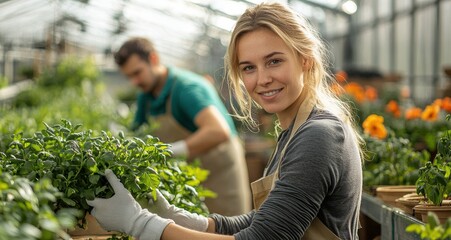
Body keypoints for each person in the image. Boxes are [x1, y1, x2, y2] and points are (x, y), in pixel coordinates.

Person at [88, 2, 363, 239]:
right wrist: (184, 219)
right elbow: (263, 220)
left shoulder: (319, 135)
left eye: (274, 61)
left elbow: (262, 238)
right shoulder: (294, 132)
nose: (262, 79)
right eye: (248, 68)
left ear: (305, 59)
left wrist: (142, 224)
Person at [113, 37, 251, 216]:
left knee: (227, 229)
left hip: (220, 177)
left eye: (137, 73)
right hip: (188, 178)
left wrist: (170, 151)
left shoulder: (187, 88)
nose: (134, 82)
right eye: (129, 76)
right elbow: (136, 137)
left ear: (153, 59)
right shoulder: (145, 97)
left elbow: (218, 131)